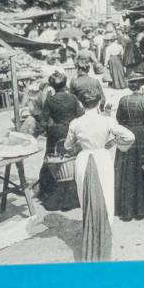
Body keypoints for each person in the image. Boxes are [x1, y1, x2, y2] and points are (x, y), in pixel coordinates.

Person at [64, 91, 135, 262]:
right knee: (106, 198)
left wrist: (79, 144)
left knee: (86, 199)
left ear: (81, 104)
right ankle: (104, 238)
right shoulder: (106, 121)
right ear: (99, 103)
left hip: (83, 159)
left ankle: (90, 234)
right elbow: (130, 136)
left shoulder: (75, 123)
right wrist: (114, 142)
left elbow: (67, 146)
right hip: (102, 159)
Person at [114, 76, 144, 221]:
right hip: (142, 138)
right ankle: (142, 208)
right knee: (143, 171)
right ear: (142, 87)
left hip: (128, 136)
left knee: (127, 172)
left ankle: (126, 209)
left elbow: (119, 119)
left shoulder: (123, 100)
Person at [38, 71, 84, 211]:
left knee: (54, 161)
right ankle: (75, 196)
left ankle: (52, 195)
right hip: (71, 130)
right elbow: (80, 115)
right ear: (65, 84)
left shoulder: (50, 100)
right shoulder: (72, 98)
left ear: (52, 85)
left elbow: (44, 120)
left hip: (55, 132)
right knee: (72, 160)